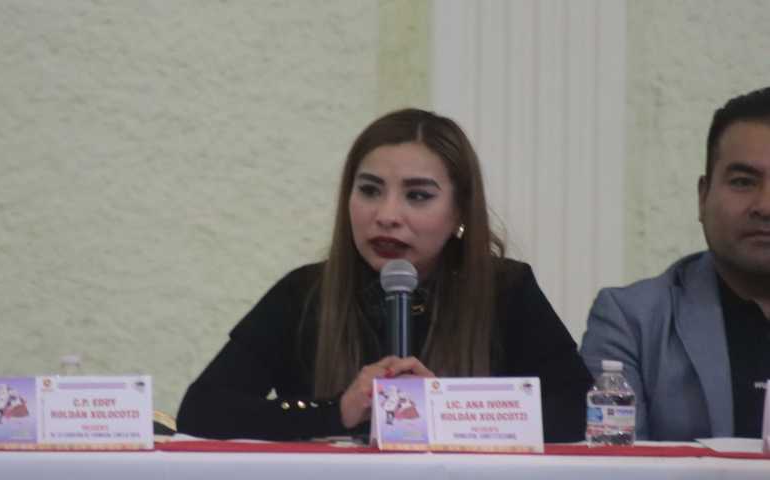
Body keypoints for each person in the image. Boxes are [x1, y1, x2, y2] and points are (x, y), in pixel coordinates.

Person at [177, 109, 592, 442]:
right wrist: (337, 411)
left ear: (460, 212)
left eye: (418, 196)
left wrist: (446, 409)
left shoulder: (506, 290)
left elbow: (581, 411)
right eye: (370, 190)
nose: (387, 215)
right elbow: (203, 411)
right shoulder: (303, 293)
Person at [580, 87, 770, 440]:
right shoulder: (631, 322)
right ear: (703, 196)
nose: (765, 205)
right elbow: (613, 464)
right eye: (743, 182)